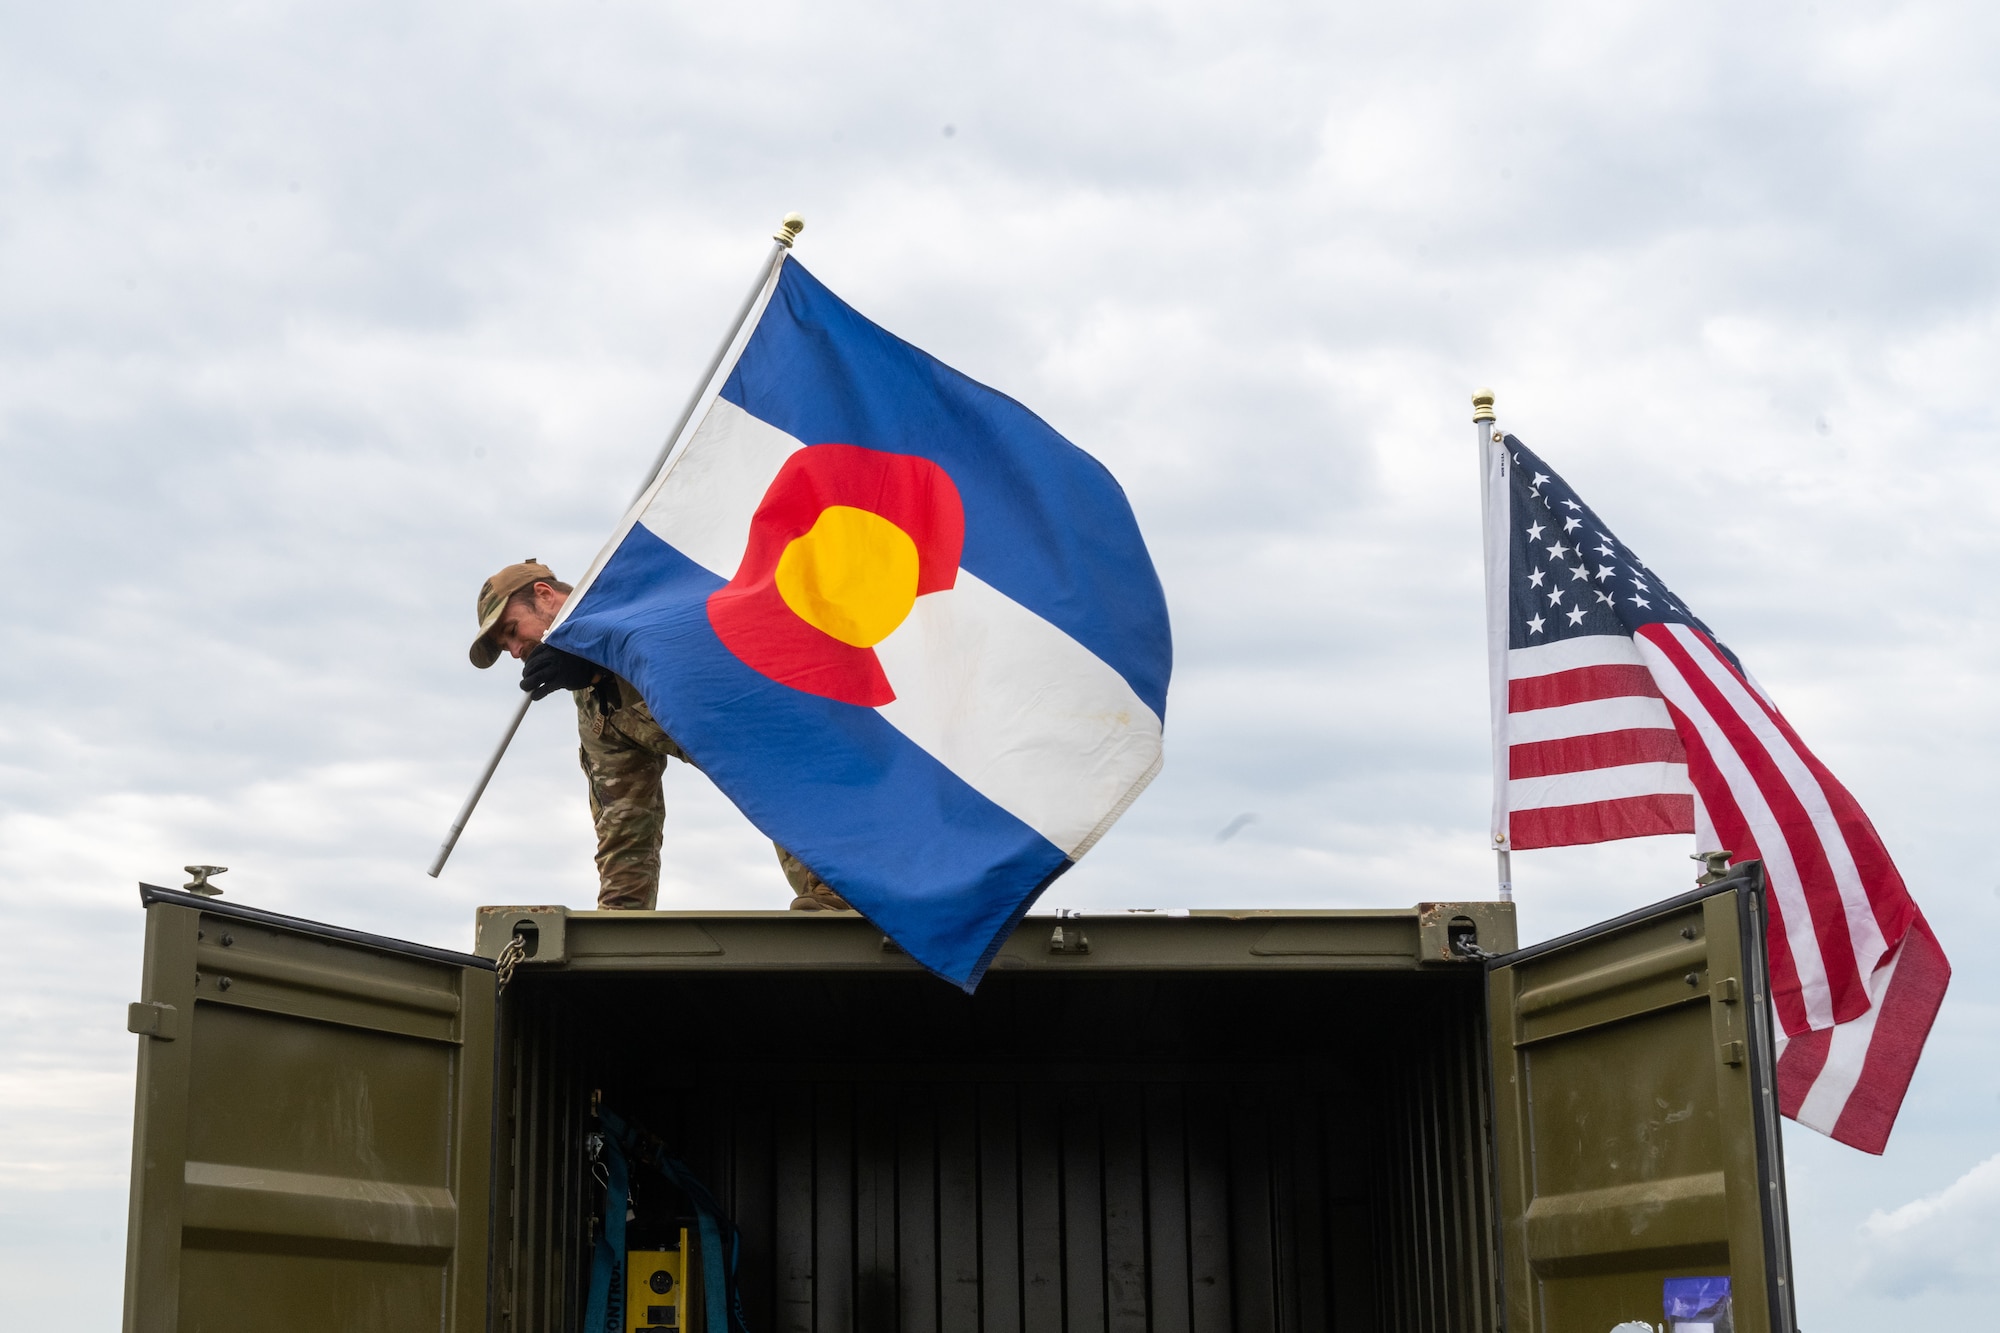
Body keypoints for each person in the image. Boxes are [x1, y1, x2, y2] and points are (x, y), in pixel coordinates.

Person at [468, 559, 851, 913]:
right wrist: (618, 930)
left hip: (837, 741)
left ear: (544, 595)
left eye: (513, 631)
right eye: (506, 648)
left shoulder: (639, 599)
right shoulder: (593, 701)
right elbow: (624, 821)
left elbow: (759, 731)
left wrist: (606, 653)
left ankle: (844, 891)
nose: (517, 651)